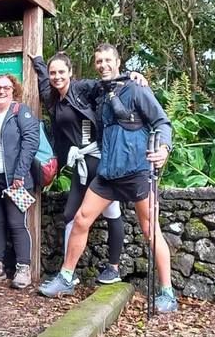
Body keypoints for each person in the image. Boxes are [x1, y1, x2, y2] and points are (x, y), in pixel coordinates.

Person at [38, 44, 177, 313]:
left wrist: (163, 149)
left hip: (137, 171)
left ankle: (167, 292)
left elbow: (162, 122)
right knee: (81, 219)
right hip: (108, 172)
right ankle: (66, 277)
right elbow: (62, 88)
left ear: (118, 61)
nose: (103, 65)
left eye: (107, 60)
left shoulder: (136, 89)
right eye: (98, 61)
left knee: (150, 230)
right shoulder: (99, 94)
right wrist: (40, 66)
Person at [32, 52, 147, 285]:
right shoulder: (53, 97)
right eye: (54, 73)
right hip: (80, 161)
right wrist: (39, 62)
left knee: (111, 212)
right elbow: (45, 81)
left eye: (61, 72)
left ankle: (111, 268)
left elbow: (105, 84)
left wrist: (130, 76)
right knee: (70, 214)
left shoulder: (82, 88)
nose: (57, 77)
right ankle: (68, 274)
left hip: (98, 158)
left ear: (71, 73)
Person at [0, 73, 40, 289]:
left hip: (16, 179)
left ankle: (24, 267)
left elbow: (31, 142)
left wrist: (19, 174)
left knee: (16, 223)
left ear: (13, 90)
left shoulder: (20, 112)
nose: (1, 91)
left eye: (6, 87)